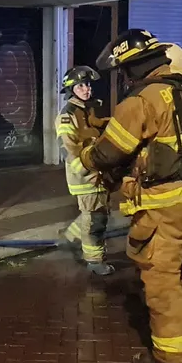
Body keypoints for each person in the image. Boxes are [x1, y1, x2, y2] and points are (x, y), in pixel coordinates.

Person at [80, 30, 182, 363]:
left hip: (163, 207)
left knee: (162, 280)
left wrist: (87, 153)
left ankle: (176, 357)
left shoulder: (142, 101)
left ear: (131, 69)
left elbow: (107, 153)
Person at [54, 66, 115, 276]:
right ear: (72, 90)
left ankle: (68, 238)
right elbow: (69, 148)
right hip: (86, 176)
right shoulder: (67, 115)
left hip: (98, 172)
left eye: (88, 84)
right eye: (81, 85)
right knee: (95, 219)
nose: (87, 89)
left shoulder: (89, 110)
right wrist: (89, 173)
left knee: (96, 211)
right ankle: (94, 260)